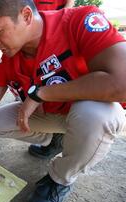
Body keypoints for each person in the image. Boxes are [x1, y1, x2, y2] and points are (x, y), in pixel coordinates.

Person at [0, 0, 126, 202]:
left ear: (26, 15)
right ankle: (55, 139)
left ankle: (60, 179)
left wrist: (40, 94)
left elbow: (125, 84)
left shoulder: (79, 21)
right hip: (56, 116)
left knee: (95, 116)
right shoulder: (10, 59)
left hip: (87, 113)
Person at [28, 0, 75, 161]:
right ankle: (49, 136)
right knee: (32, 82)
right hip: (31, 30)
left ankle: (56, 142)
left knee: (56, 80)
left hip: (52, 30)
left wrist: (60, 22)